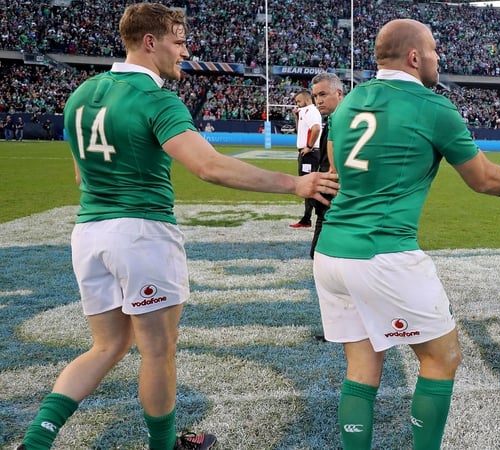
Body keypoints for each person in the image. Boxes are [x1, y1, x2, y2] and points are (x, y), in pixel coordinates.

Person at [15, 3, 338, 450]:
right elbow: (208, 167)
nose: (184, 53)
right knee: (157, 351)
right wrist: (294, 185)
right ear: (151, 42)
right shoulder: (155, 98)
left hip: (89, 233)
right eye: (179, 42)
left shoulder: (81, 94)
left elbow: (79, 175)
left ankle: (35, 441)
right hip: (142, 234)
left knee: (106, 346)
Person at [312, 18, 500, 450]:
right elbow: (482, 178)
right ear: (414, 56)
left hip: (332, 251)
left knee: (362, 368)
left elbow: (335, 173)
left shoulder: (348, 103)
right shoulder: (432, 105)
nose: (437, 57)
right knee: (442, 357)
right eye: (433, 50)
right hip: (383, 253)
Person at [309, 72, 344, 259]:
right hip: (327, 190)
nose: (318, 101)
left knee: (323, 254)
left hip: (336, 192)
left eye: (323, 95)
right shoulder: (332, 120)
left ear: (339, 94)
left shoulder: (344, 121)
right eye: (315, 96)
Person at [289, 90, 322, 229]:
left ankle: (325, 213)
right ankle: (307, 218)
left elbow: (316, 128)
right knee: (306, 186)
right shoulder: (304, 112)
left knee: (307, 186)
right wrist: (296, 117)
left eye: (298, 101)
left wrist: (309, 146)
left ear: (307, 100)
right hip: (306, 153)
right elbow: (301, 131)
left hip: (310, 153)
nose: (297, 104)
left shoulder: (310, 111)